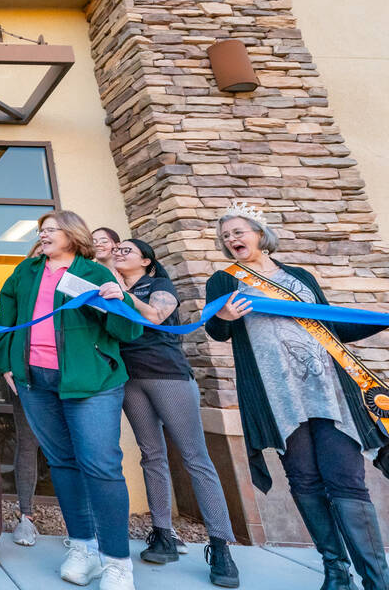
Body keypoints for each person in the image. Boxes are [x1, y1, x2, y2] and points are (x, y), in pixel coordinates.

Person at [206, 202, 389, 590]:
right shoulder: (224, 280)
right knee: (303, 479)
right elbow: (217, 333)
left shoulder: (299, 276)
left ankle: (377, 581)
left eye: (238, 231)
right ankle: (336, 570)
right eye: (225, 235)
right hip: (277, 397)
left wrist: (387, 316)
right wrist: (224, 318)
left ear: (259, 233)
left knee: (347, 480)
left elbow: (332, 327)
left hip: (328, 391)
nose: (231, 238)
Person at [0, 210, 143, 590]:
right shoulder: (25, 272)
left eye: (50, 230)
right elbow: (5, 320)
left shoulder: (96, 273)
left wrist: (119, 299)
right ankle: (83, 547)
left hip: (91, 382)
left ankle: (116, 562)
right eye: (40, 231)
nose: (43, 236)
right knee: (61, 462)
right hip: (35, 382)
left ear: (72, 234)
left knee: (101, 466)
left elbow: (127, 330)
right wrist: (8, 363)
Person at [113, 238, 240, 588]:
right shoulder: (108, 284)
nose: (119, 253)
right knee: (151, 456)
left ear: (147, 262)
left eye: (127, 250)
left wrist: (123, 294)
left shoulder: (159, 285)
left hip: (167, 375)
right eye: (116, 250)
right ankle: (163, 534)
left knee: (195, 457)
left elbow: (156, 315)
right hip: (130, 378)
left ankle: (220, 546)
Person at [6, 241, 43, 548]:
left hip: (70, 378)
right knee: (27, 443)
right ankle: (26, 517)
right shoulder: (20, 277)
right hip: (26, 377)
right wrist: (5, 363)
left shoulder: (84, 277)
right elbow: (6, 321)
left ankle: (82, 526)